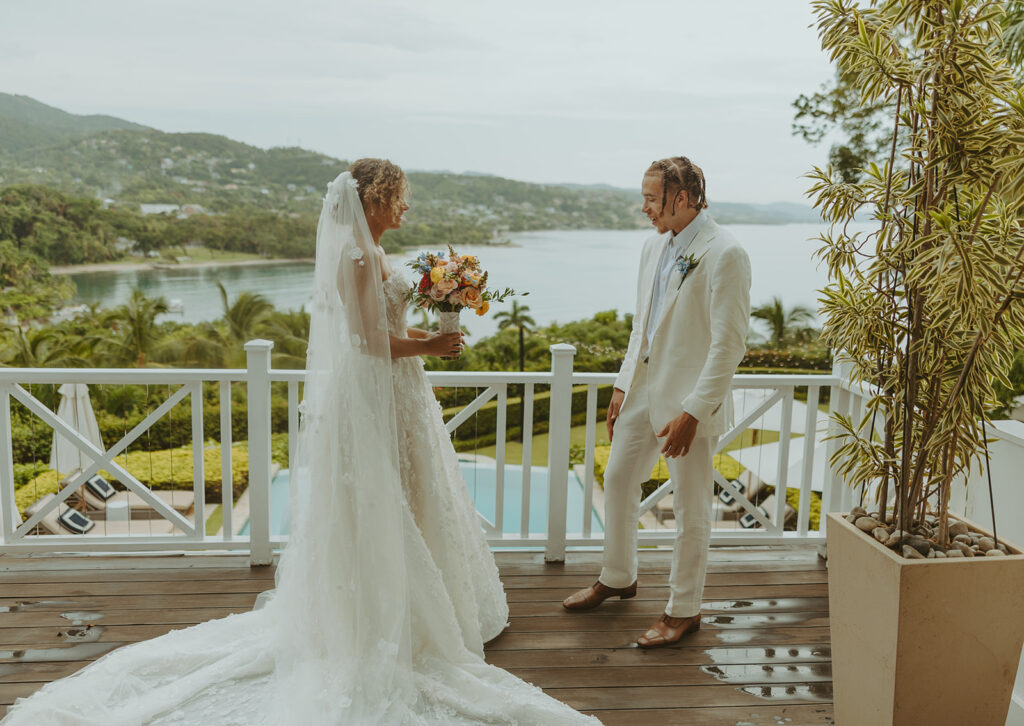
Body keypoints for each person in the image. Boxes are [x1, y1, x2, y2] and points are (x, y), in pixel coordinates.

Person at [1, 160, 600, 725]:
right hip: (377, 391)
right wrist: (429, 347)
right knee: (383, 497)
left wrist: (426, 334)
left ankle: (424, 603)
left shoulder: (373, 251)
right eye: (400, 196)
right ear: (374, 198)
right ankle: (385, 618)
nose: (407, 207)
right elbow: (366, 342)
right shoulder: (359, 259)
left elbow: (385, 328)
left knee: (411, 494)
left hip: (396, 392)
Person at [562, 156, 751, 648]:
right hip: (642, 394)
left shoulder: (726, 253)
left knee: (691, 509)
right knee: (619, 477)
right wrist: (623, 385)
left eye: (651, 198)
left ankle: (683, 610)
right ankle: (619, 575)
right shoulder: (653, 247)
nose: (643, 207)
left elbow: (728, 346)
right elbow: (640, 326)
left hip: (687, 405)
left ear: (683, 199)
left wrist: (695, 411)